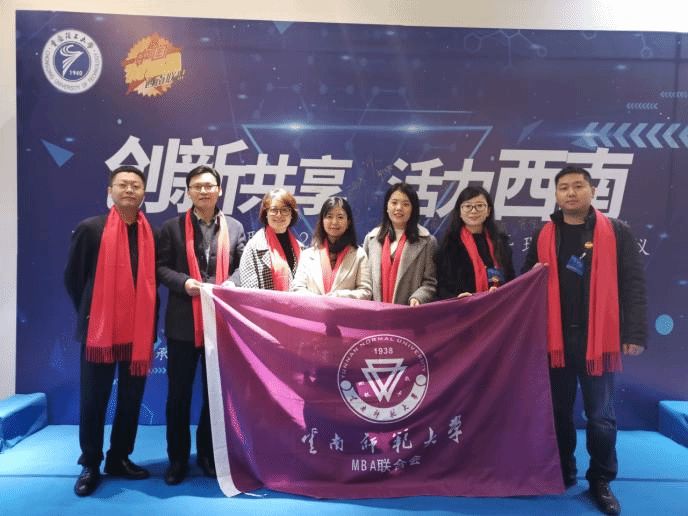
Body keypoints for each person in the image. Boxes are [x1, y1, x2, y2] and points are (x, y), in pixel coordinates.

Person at [522, 166, 646, 516]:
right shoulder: (544, 233)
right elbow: (527, 284)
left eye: (578, 186)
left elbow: (633, 284)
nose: (571, 193)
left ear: (592, 191)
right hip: (556, 340)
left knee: (601, 417)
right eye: (564, 187)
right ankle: (563, 471)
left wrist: (634, 333)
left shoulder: (616, 231)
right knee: (558, 412)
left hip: (598, 340)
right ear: (556, 195)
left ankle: (601, 480)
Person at [64, 165, 157, 497]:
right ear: (110, 191)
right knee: (94, 399)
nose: (129, 190)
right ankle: (90, 462)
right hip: (100, 332)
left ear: (144, 193)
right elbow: (73, 278)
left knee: (131, 400)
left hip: (138, 332)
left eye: (136, 185)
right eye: (122, 184)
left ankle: (119, 458)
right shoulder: (90, 229)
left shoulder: (151, 234)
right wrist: (94, 314)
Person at [157, 165, 246, 485]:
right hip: (183, 324)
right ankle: (177, 459)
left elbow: (243, 267)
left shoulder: (234, 227)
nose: (204, 191)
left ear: (219, 190)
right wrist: (184, 283)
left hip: (220, 323)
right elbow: (160, 268)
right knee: (178, 396)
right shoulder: (171, 228)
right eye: (197, 186)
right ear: (189, 192)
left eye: (209, 186)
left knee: (215, 396)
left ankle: (209, 455)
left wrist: (233, 283)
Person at [434, 185, 515, 299]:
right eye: (468, 206)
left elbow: (511, 278)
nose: (473, 211)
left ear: (488, 211)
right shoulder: (449, 244)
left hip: (499, 304)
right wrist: (457, 297)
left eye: (479, 206)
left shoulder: (500, 241)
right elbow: (441, 287)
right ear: (459, 212)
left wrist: (500, 290)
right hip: (463, 307)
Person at [363, 183, 437, 305]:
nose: (399, 208)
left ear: (413, 209)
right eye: (394, 203)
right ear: (387, 207)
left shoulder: (427, 241)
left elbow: (430, 282)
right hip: (376, 313)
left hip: (408, 312)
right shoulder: (371, 239)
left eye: (406, 204)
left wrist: (418, 297)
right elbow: (363, 281)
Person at [291, 197, 372, 299]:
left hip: (344, 309)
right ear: (322, 221)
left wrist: (339, 296)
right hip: (313, 308)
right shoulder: (307, 255)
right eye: (329, 216)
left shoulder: (359, 255)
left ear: (348, 222)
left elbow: (366, 291)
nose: (334, 222)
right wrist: (319, 301)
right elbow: (297, 288)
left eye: (340, 217)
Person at [239, 188, 303, 291]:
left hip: (296, 301)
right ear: (266, 213)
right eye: (274, 210)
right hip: (265, 302)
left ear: (292, 214)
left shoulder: (300, 248)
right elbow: (250, 292)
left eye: (285, 210)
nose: (279, 215)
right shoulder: (254, 247)